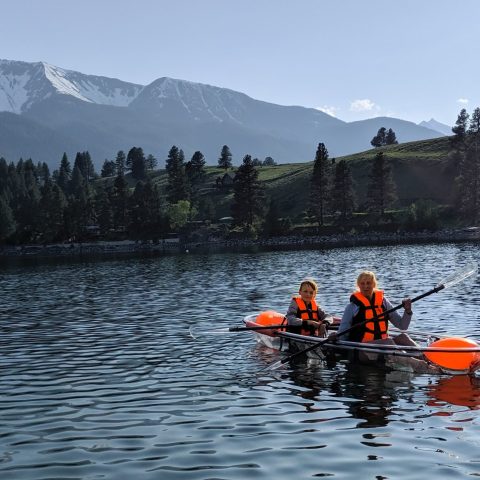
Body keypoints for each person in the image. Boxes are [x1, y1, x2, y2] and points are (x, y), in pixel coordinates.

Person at [333, 270, 439, 373]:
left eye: (369, 283)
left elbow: (402, 326)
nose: (366, 286)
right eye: (362, 283)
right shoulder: (352, 307)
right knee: (387, 341)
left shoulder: (383, 302)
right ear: (358, 286)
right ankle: (422, 366)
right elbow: (343, 334)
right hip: (362, 350)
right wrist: (336, 336)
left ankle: (430, 359)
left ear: (374, 284)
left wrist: (407, 311)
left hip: (383, 347)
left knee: (403, 337)